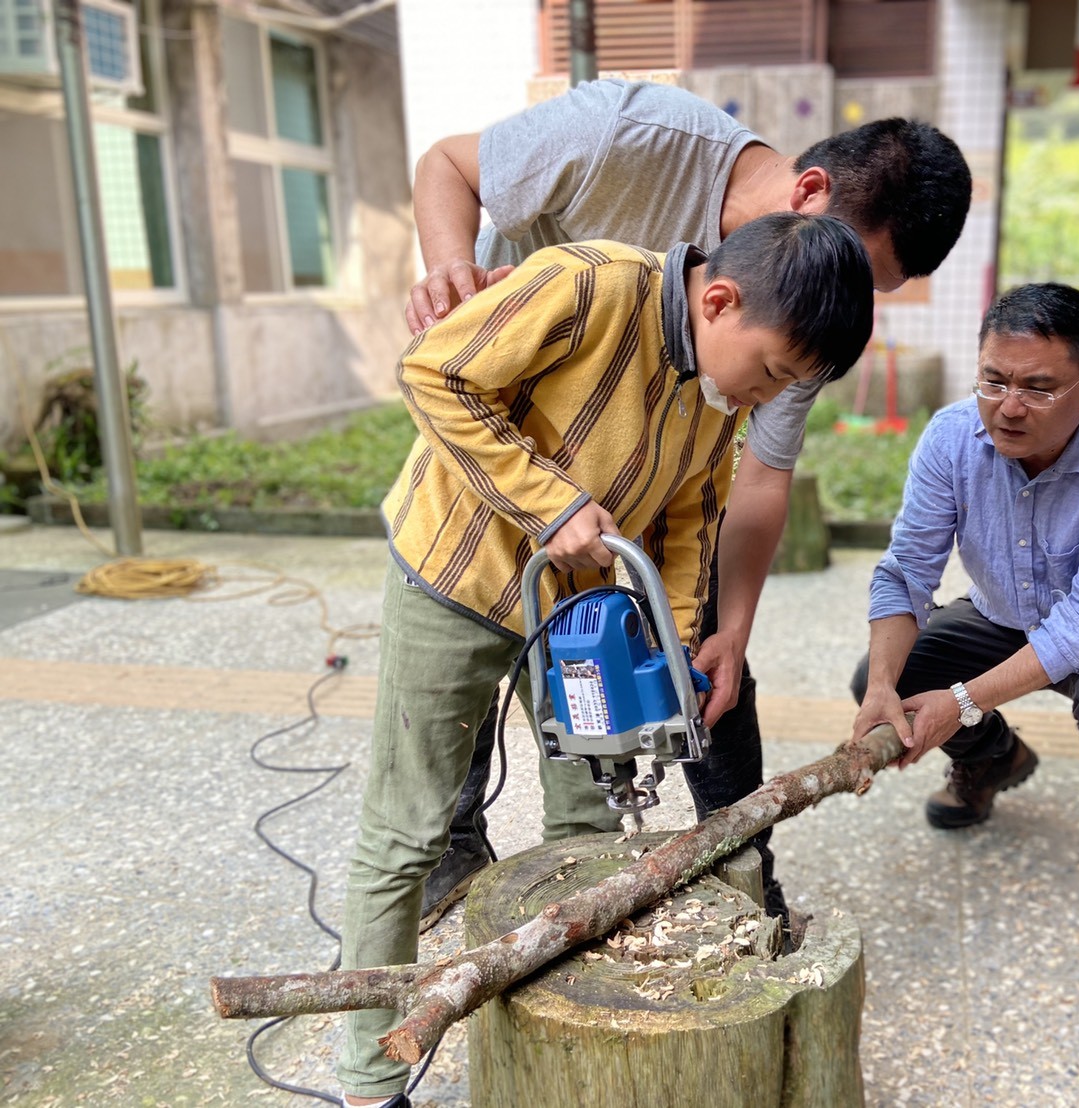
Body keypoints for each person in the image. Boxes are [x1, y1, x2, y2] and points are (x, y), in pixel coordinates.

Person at [406, 78, 973, 932]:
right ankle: (451, 832)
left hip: (653, 480)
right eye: (853, 259)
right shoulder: (631, 136)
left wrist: (730, 628)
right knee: (474, 624)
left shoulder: (796, 326)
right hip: (512, 437)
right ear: (809, 196)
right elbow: (448, 164)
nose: (844, 291)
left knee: (701, 660)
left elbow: (759, 478)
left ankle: (740, 869)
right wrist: (452, 275)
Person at [338, 211, 874, 1107]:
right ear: (719, 299)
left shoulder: (714, 396)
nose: (762, 399)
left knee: (588, 824)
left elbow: (692, 516)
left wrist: (675, 646)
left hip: (581, 614)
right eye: (773, 372)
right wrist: (549, 504)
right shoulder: (587, 284)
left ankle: (571, 1034)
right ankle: (369, 1074)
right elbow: (434, 374)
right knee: (408, 829)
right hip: (458, 579)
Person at [848, 282, 1079, 939]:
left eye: (1038, 387)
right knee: (879, 675)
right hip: (1000, 614)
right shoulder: (951, 437)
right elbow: (908, 571)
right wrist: (887, 688)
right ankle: (992, 759)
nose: (1008, 408)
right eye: (993, 380)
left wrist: (963, 702)